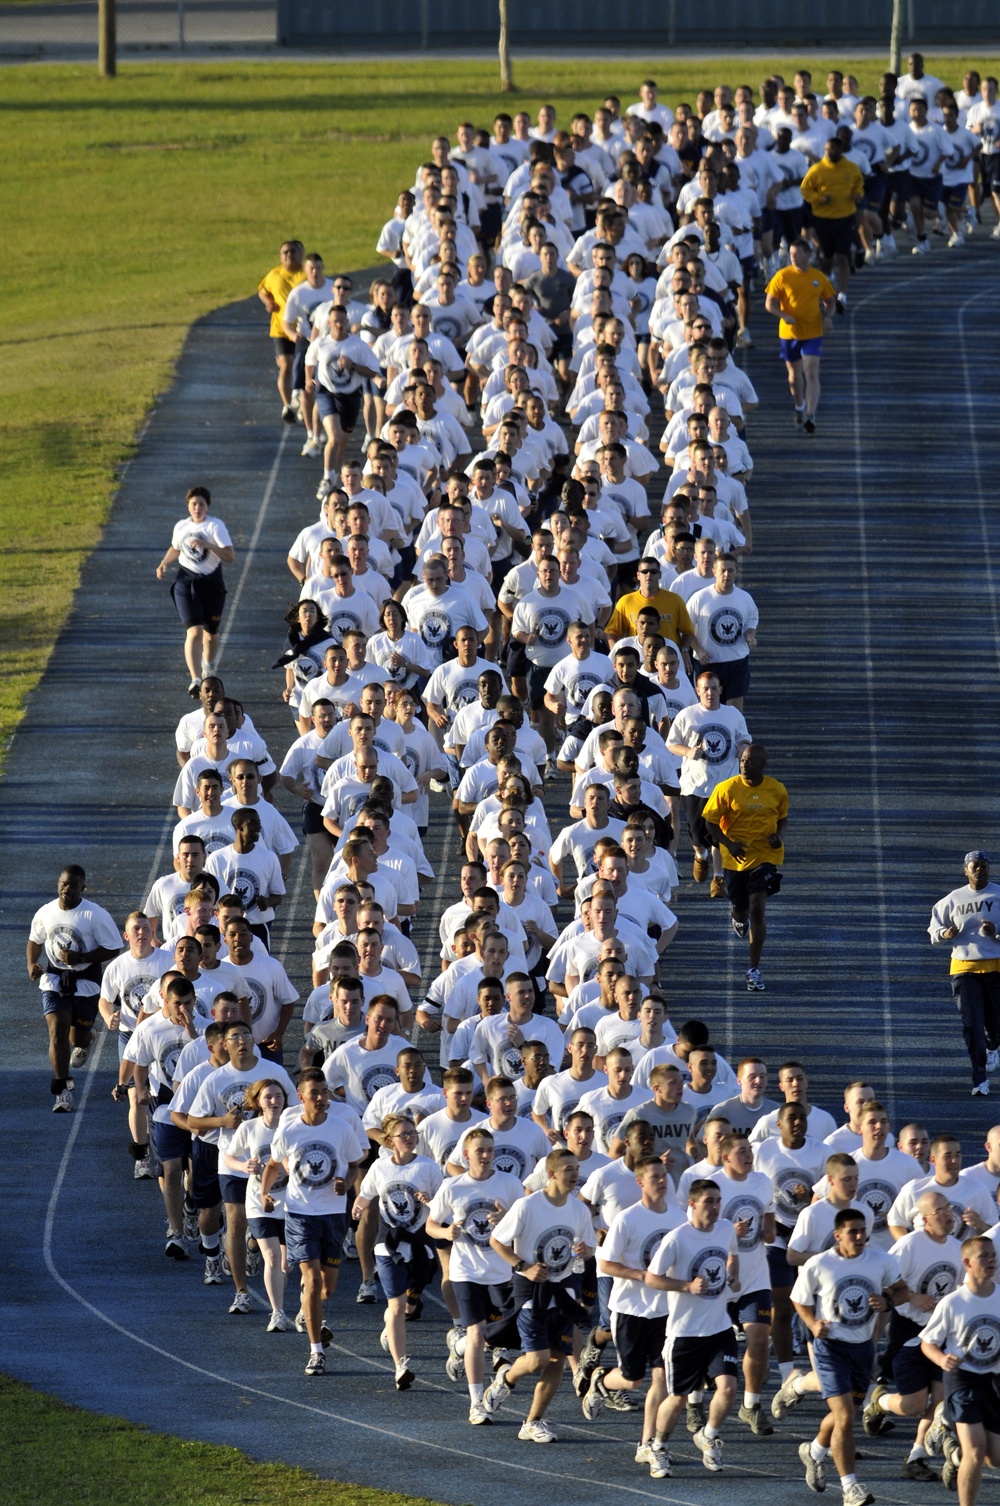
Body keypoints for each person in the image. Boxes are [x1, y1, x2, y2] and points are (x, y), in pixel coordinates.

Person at [792, 1208, 907, 1505]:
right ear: (837, 1235)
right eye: (852, 1231)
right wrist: (813, 1323)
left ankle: (814, 1451)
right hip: (831, 1349)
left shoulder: (881, 1259)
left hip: (863, 1348)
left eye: (862, 1230)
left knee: (849, 1413)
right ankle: (850, 1487)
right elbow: (798, 1299)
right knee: (844, 1417)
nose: (859, 1236)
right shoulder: (819, 1264)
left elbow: (902, 1290)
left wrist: (887, 1301)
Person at [485, 1146, 596, 1442]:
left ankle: (533, 1421)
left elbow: (589, 1246)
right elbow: (497, 1240)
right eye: (569, 1170)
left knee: (558, 1359)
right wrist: (523, 1266)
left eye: (577, 1169)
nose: (575, 1175)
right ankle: (505, 1379)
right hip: (530, 1288)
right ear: (551, 1174)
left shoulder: (579, 1209)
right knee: (536, 1360)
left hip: (563, 1289)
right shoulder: (527, 1206)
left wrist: (586, 1250)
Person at [263, 1068, 367, 1376]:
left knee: (327, 1289)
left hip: (333, 1215)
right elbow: (272, 1164)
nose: (322, 1098)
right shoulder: (290, 1130)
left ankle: (309, 1306)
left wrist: (347, 1184)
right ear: (301, 1097)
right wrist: (265, 1193)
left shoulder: (341, 1127)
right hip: (299, 1214)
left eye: (325, 1092)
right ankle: (316, 1351)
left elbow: (354, 1165)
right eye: (315, 1094)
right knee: (312, 1280)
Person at [582, 1156, 683, 1463]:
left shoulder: (679, 1216)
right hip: (630, 1309)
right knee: (632, 1379)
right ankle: (601, 1380)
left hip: (665, 1312)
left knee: (661, 1379)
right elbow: (606, 1263)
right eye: (655, 1177)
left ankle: (646, 1443)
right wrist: (642, 1275)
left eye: (664, 1176)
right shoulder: (628, 1219)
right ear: (640, 1183)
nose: (662, 1182)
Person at [425, 1125, 525, 1423]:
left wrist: (507, 1218)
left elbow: (524, 1224)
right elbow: (430, 1225)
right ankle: (476, 1403)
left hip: (501, 1272)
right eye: (480, 1151)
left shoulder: (509, 1184)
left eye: (490, 1150)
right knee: (478, 1335)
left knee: (500, 1340)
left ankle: (458, 1345)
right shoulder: (453, 1186)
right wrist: (446, 1230)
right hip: (465, 1271)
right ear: (466, 1154)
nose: (486, 1156)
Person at [644, 1179, 741, 1473]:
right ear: (692, 1204)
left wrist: (732, 1276)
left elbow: (732, 1255)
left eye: (717, 1200)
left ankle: (708, 1436)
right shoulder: (677, 1239)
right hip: (685, 1333)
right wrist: (686, 1286)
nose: (714, 1206)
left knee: (727, 1389)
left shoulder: (725, 1229)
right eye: (708, 1201)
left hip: (719, 1328)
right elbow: (651, 1278)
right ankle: (657, 1447)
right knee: (677, 1399)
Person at [353, 1112, 444, 1389]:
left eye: (412, 1133)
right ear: (390, 1140)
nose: (409, 1138)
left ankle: (391, 1331)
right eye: (403, 1134)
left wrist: (432, 1201)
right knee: (395, 1305)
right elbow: (365, 1195)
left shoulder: (428, 1167)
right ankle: (400, 1366)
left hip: (420, 1244)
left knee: (409, 1304)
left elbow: (444, 1205)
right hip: (388, 1244)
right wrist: (357, 1207)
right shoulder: (380, 1168)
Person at [26, 864, 120, 1113]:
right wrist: (31, 964)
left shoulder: (95, 914)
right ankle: (63, 1092)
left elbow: (113, 947)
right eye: (64, 884)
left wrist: (81, 958)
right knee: (57, 1031)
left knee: (75, 1036)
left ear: (82, 888)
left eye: (74, 885)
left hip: (86, 981)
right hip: (55, 979)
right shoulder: (46, 912)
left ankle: (87, 1040)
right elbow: (35, 940)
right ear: (58, 883)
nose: (67, 889)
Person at [702, 743, 788, 992]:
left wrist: (779, 836)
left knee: (758, 909)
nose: (744, 764)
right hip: (735, 860)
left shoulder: (777, 789)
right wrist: (729, 843)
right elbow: (710, 823)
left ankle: (754, 970)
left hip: (765, 856)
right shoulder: (726, 789)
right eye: (742, 760)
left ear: (763, 765)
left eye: (750, 761)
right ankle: (737, 917)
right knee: (741, 909)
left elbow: (783, 817)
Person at [920, 1236, 1000, 1500]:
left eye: (993, 1255)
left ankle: (947, 1435)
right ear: (967, 1262)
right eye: (984, 1256)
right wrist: (942, 1359)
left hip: (994, 1381)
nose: (991, 1260)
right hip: (962, 1380)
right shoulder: (953, 1302)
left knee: (994, 1458)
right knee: (975, 1452)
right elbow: (927, 1343)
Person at [223, 1077, 293, 1331]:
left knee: (286, 1264)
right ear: (258, 1102)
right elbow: (230, 1156)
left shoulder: (294, 1126)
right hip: (258, 1203)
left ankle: (285, 1304)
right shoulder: (250, 1128)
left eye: (278, 1096)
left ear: (285, 1099)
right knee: (272, 1258)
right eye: (268, 1097)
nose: (274, 1101)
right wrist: (244, 1165)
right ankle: (278, 1313)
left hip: (291, 1203)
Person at [929, 850, 1000, 1095]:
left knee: (995, 1023)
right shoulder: (953, 899)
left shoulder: (999, 894)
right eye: (975, 865)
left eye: (984, 866)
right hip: (964, 968)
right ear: (965, 870)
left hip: (996, 967)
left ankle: (993, 1044)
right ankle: (980, 1080)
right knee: (971, 1024)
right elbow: (935, 928)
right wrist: (945, 934)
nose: (980, 869)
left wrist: (996, 931)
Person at [156, 486, 235, 694]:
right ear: (188, 506)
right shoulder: (181, 526)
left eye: (201, 504)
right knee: (194, 631)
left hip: (211, 584)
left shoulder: (215, 526)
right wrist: (164, 563)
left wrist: (206, 544)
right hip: (186, 581)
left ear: (207, 506)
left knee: (211, 634)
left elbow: (229, 555)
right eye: (193, 504)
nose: (197, 508)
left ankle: (208, 666)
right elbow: (176, 547)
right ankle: (195, 679)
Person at [764, 238, 836, 433]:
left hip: (813, 332)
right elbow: (769, 304)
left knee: (811, 371)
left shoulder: (818, 277)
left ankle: (811, 415)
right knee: (794, 375)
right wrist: (783, 315)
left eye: (797, 254)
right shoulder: (782, 276)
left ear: (808, 254)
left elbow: (830, 301)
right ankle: (799, 407)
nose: (793, 258)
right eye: (791, 254)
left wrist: (828, 317)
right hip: (789, 334)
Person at [257, 239, 305, 422]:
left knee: (303, 367)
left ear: (301, 254)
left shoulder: (306, 274)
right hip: (280, 328)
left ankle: (301, 400)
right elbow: (262, 290)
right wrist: (268, 302)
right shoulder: (274, 275)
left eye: (293, 251)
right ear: (280, 255)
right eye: (285, 252)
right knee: (286, 366)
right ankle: (288, 406)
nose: (289, 255)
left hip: (303, 329)